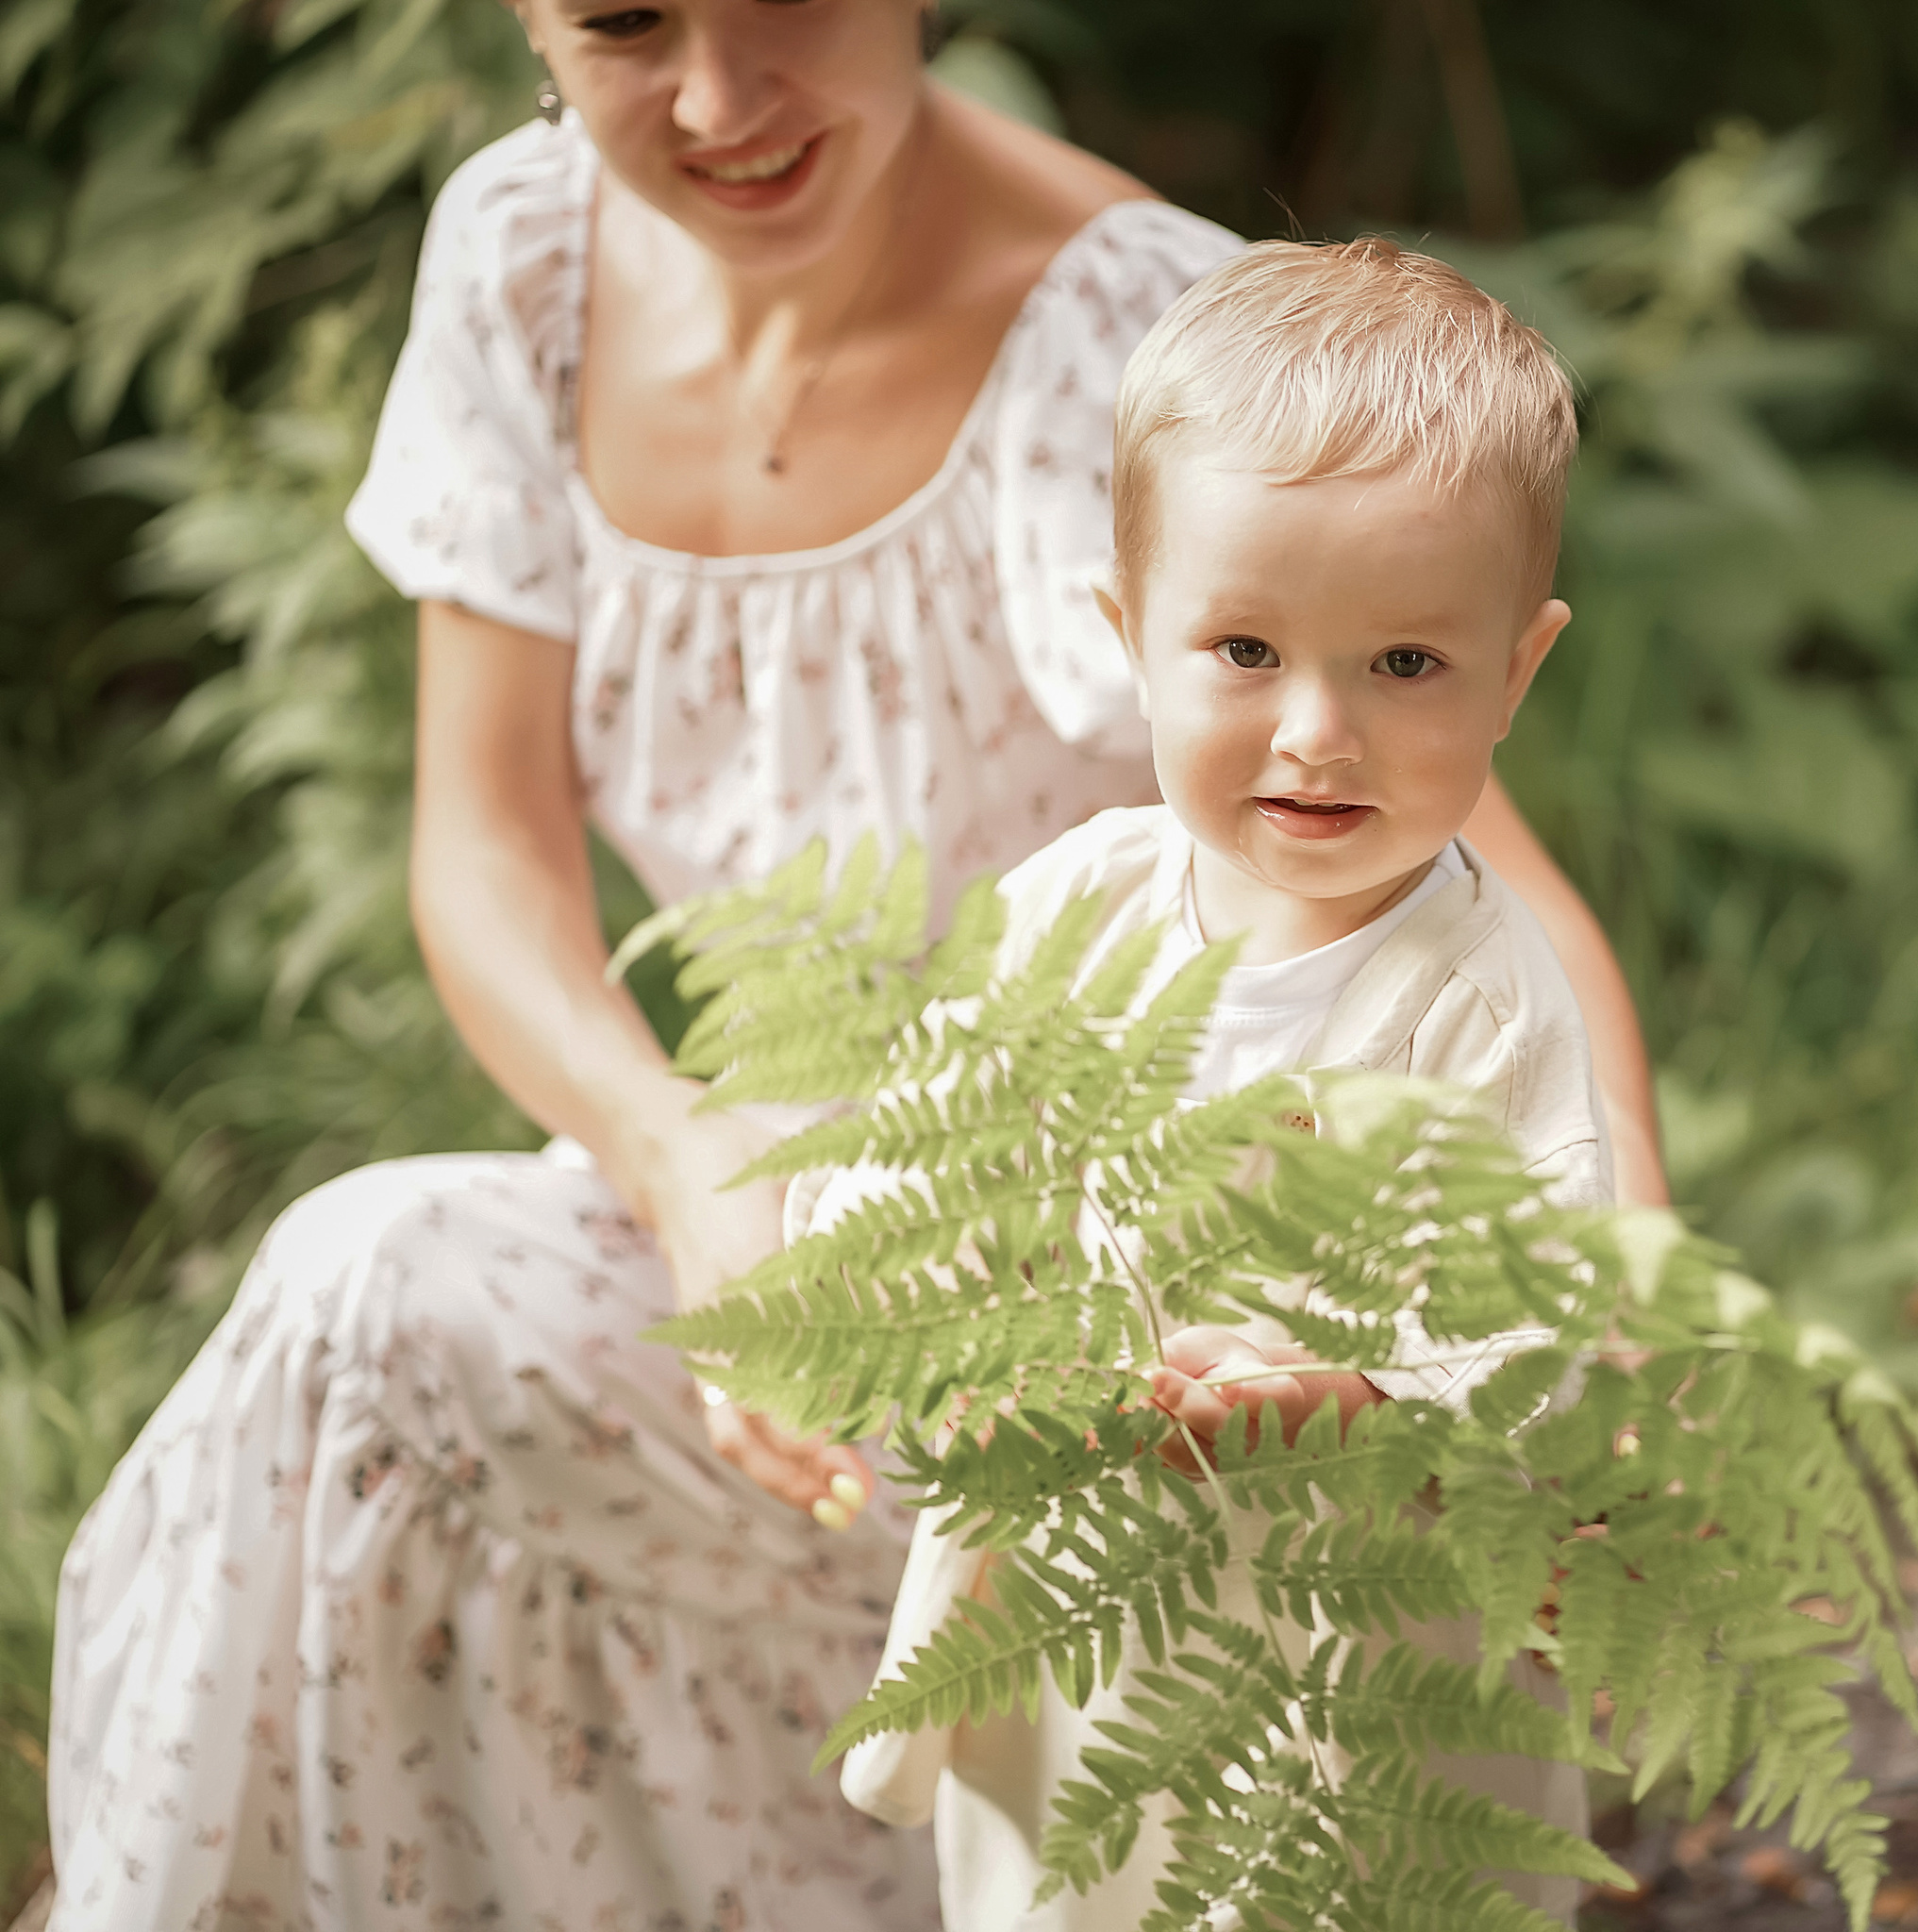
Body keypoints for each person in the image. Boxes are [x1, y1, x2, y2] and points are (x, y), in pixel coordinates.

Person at [45, 4, 1660, 1927]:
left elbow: (1481, 893)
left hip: (1137, 1360)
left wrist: (1609, 1383)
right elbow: (479, 844)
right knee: (354, 1310)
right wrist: (682, 1163)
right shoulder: (517, 260)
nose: (721, 103)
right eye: (629, 20)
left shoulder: (1140, 339)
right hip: (787, 1271)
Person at [841, 236, 1605, 1930]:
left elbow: (1539, 1318)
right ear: (1131, 634)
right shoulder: (1071, 913)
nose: (1317, 731)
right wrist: (953, 1314)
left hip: (1354, 1655)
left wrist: (1362, 1397)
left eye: (1405, 665)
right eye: (1245, 651)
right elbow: (909, 1166)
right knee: (1074, 1880)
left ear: (1517, 670)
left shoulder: (1476, 1002)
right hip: (1087, 1621)